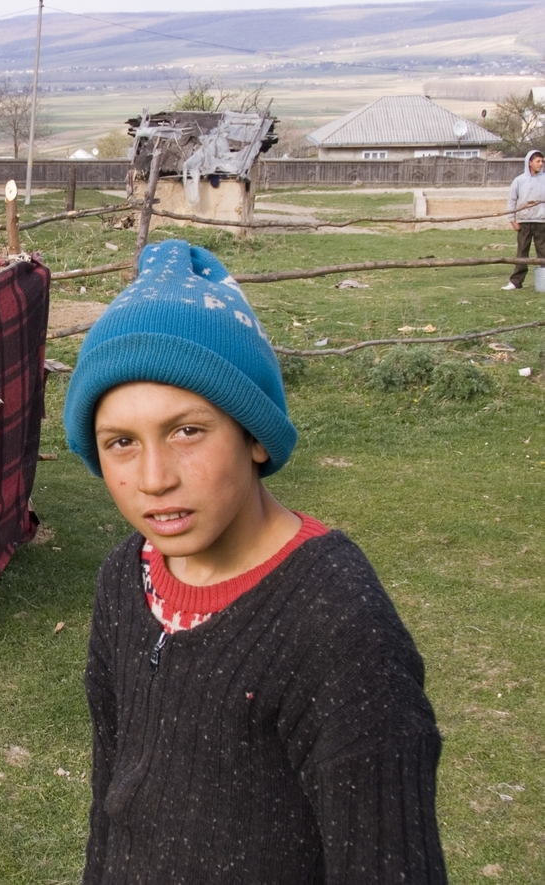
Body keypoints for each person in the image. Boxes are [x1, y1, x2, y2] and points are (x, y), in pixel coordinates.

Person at [62, 239, 446, 884]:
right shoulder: (128, 577)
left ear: (255, 436)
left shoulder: (338, 626)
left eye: (188, 430)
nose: (154, 479)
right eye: (121, 442)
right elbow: (113, 789)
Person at [503, 149, 545, 290]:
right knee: (522, 252)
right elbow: (512, 201)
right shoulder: (519, 181)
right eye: (538, 161)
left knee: (543, 251)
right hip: (524, 222)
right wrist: (513, 220)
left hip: (541, 222)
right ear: (530, 162)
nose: (541, 163)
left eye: (542, 161)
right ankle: (516, 282)